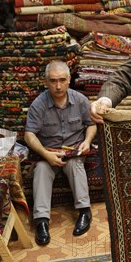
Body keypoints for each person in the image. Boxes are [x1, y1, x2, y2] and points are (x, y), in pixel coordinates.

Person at [25, 60, 97, 245]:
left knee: (74, 165)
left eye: (62, 80)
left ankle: (84, 212)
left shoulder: (80, 100)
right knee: (41, 170)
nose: (58, 86)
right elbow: (29, 135)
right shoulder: (38, 104)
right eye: (53, 81)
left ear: (69, 80)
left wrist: (87, 142)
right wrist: (45, 154)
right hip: (48, 152)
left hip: (74, 151)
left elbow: (91, 125)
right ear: (46, 81)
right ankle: (41, 221)